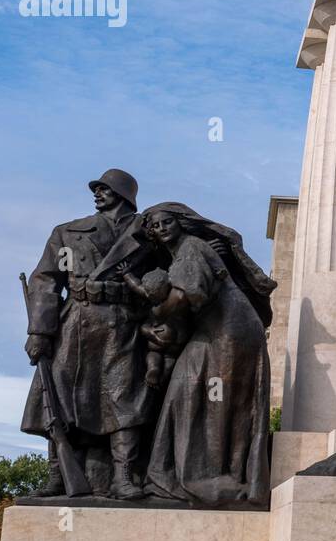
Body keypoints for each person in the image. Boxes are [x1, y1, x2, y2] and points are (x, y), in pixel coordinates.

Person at [21, 168, 155, 499]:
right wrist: (40, 331)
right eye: (96, 189)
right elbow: (45, 281)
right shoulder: (68, 233)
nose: (97, 193)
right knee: (61, 399)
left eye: (105, 188)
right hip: (75, 324)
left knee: (125, 399)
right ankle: (58, 476)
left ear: (124, 194)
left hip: (124, 323)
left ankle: (123, 477)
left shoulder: (148, 234)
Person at [138, 203, 276, 507]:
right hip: (218, 331)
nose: (161, 229)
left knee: (216, 398)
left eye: (167, 222)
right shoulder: (183, 253)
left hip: (230, 331)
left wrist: (154, 315)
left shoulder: (191, 248)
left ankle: (215, 478)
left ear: (182, 223)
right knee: (187, 391)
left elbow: (186, 295)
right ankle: (181, 473)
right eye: (156, 225)